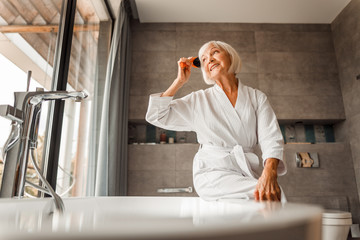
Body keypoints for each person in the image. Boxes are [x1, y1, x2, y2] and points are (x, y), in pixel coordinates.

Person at [145, 40, 287, 202]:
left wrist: (269, 173)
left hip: (245, 170)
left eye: (214, 52)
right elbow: (157, 115)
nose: (209, 59)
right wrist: (179, 82)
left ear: (231, 57)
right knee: (272, 197)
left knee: (270, 195)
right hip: (212, 172)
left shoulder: (256, 97)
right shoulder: (198, 100)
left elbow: (270, 137)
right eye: (203, 59)